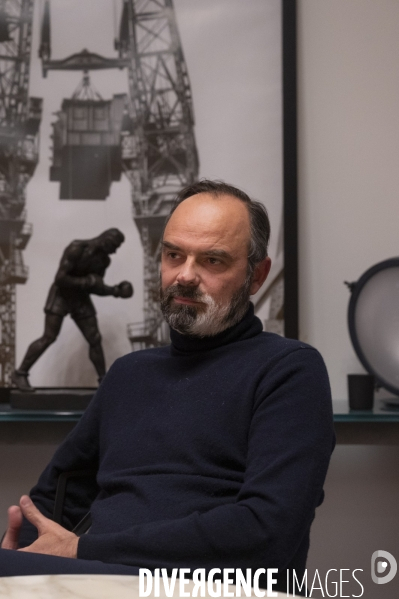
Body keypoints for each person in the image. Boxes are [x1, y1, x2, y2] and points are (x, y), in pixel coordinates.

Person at [1, 181, 335, 593]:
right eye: (174, 255)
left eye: (212, 260)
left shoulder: (289, 371)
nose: (185, 276)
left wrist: (85, 551)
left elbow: (267, 534)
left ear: (256, 276)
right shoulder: (128, 374)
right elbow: (55, 500)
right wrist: (27, 556)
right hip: (90, 578)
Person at [11, 228, 133, 392]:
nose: (115, 250)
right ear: (106, 240)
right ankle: (20, 373)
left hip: (80, 298)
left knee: (95, 339)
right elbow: (60, 278)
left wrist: (115, 291)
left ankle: (104, 382)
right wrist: (86, 282)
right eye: (115, 245)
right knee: (49, 337)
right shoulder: (77, 248)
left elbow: (94, 286)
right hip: (60, 296)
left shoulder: (104, 261)